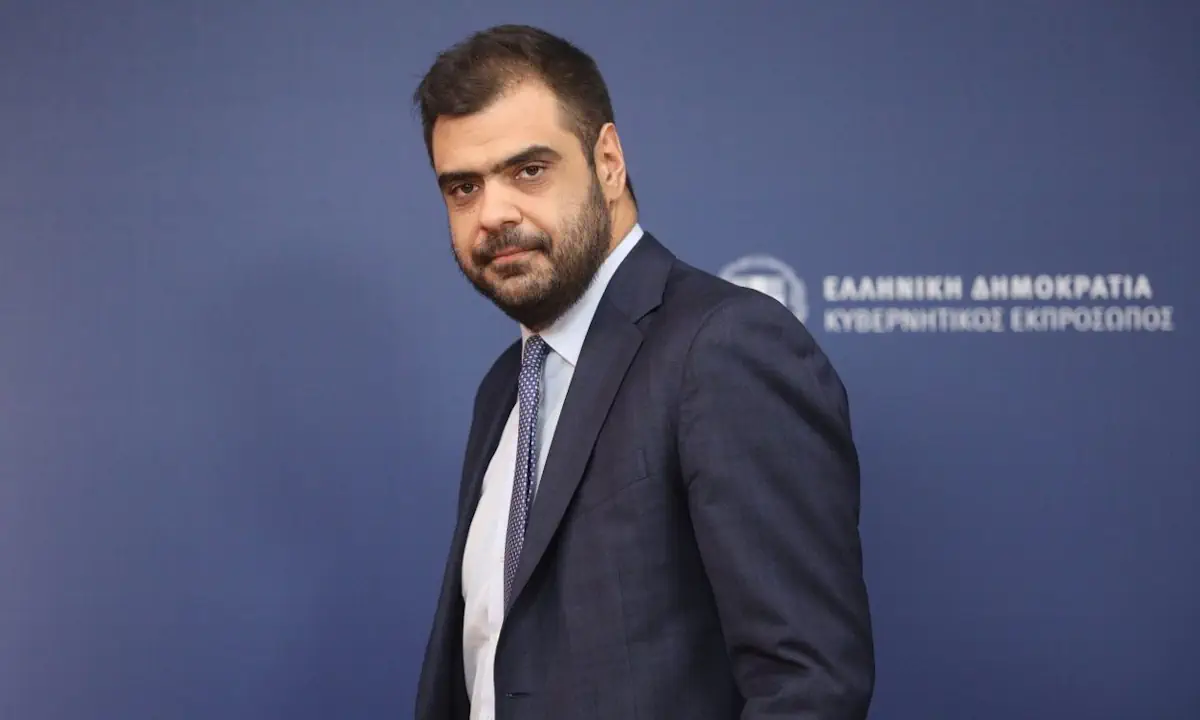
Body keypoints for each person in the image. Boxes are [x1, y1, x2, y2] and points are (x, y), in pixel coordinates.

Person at [412, 24, 874, 720]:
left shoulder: (723, 348)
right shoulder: (505, 386)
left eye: (528, 170)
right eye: (463, 188)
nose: (494, 213)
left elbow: (809, 685)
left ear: (608, 161)